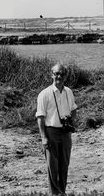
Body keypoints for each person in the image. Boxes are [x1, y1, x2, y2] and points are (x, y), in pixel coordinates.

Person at [36, 63, 77, 196]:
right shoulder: (44, 94)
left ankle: (62, 192)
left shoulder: (69, 92)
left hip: (65, 133)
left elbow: (73, 109)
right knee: (52, 166)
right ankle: (54, 193)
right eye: (56, 73)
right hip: (51, 132)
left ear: (65, 76)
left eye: (62, 74)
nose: (59, 76)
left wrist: (70, 122)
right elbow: (40, 117)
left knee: (64, 164)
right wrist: (43, 137)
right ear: (51, 75)